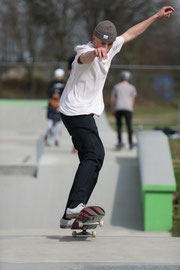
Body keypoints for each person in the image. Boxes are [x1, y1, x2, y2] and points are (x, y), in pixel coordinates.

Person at [59, 6, 175, 228]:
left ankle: (69, 215)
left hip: (84, 112)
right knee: (94, 153)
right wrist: (95, 53)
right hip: (74, 111)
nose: (105, 49)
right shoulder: (84, 51)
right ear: (94, 39)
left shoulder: (112, 48)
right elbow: (83, 58)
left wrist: (155, 16)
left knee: (95, 157)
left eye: (108, 45)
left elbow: (130, 33)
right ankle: (75, 206)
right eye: (101, 44)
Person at [110, 71, 137, 150]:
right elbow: (132, 100)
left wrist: (112, 108)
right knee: (129, 126)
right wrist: (131, 107)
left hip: (118, 107)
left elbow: (113, 99)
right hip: (128, 108)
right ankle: (131, 143)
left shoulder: (116, 86)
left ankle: (119, 142)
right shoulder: (132, 87)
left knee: (119, 126)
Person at [44, 68, 65, 146]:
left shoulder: (64, 83)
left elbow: (64, 94)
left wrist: (60, 105)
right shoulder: (52, 83)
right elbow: (49, 93)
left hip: (59, 107)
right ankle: (47, 136)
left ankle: (57, 140)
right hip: (52, 108)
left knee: (57, 127)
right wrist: (53, 95)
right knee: (50, 126)